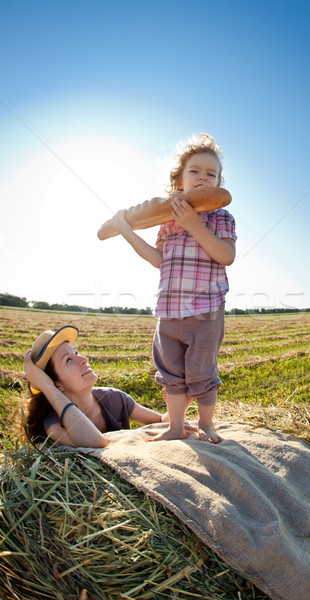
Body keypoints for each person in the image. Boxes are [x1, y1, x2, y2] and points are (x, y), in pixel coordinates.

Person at [109, 133, 237, 443]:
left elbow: (226, 256)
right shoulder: (167, 221)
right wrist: (126, 231)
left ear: (218, 183)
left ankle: (206, 425)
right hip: (168, 311)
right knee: (171, 375)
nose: (202, 177)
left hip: (206, 312)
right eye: (195, 171)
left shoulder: (222, 217)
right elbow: (158, 259)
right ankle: (176, 426)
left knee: (202, 371)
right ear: (179, 180)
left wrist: (195, 224)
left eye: (211, 174)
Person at [23, 325, 176, 448]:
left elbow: (162, 422)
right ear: (57, 384)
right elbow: (94, 443)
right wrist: (46, 386)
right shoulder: (54, 421)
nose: (83, 359)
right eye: (68, 360)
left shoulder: (114, 398)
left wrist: (176, 403)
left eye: (76, 352)